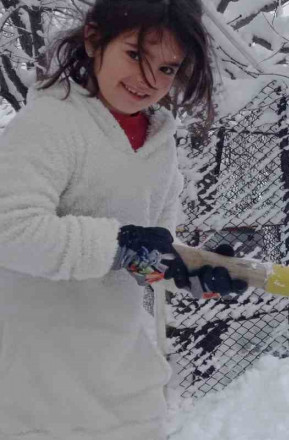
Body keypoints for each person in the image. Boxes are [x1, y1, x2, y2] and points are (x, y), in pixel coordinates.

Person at [0, 0, 246, 438]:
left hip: (126, 386)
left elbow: (148, 251)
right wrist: (120, 245)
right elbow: (10, 228)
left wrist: (188, 269)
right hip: (38, 393)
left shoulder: (158, 143)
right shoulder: (50, 124)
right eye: (135, 55)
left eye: (167, 69)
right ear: (95, 40)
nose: (147, 81)